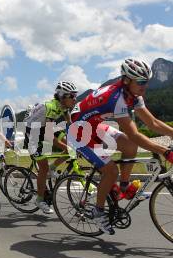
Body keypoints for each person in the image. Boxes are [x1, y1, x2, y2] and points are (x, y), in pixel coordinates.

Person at [69, 59, 173, 234]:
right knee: (110, 171)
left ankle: (123, 188)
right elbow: (134, 133)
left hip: (95, 125)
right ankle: (98, 211)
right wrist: (164, 151)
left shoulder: (133, 95)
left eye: (146, 81)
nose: (145, 86)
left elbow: (152, 122)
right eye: (141, 82)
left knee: (130, 145)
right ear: (126, 80)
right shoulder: (117, 98)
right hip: (79, 131)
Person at [24, 81, 78, 214]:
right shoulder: (52, 107)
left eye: (75, 95)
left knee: (71, 147)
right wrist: (67, 146)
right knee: (43, 167)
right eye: (72, 96)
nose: (75, 99)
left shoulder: (64, 106)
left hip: (46, 127)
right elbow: (48, 136)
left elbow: (70, 124)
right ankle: (40, 199)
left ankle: (52, 168)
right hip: (33, 133)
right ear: (62, 96)